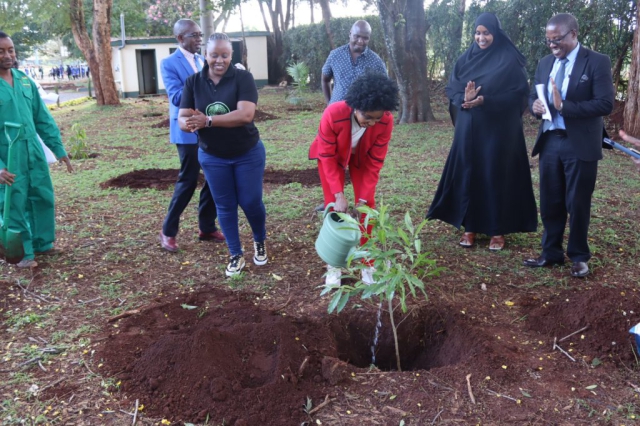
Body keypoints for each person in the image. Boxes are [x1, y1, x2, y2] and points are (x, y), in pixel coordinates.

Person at [427, 13, 537, 251]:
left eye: (486, 32)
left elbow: (519, 95)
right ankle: (470, 226)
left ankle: (497, 230)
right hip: (470, 127)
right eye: (477, 32)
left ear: (495, 33)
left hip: (499, 130)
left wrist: (485, 100)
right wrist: (463, 99)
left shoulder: (508, 59)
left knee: (495, 173)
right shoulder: (465, 58)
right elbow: (452, 88)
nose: (481, 37)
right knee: (470, 172)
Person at [523, 13, 614, 278]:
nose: (553, 45)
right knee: (550, 200)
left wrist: (565, 106)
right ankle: (550, 253)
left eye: (558, 39)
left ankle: (579, 256)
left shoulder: (596, 61)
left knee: (578, 202)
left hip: (580, 143)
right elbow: (532, 96)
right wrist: (535, 107)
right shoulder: (544, 63)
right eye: (549, 40)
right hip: (550, 140)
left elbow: (605, 103)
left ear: (573, 34)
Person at [179, 32, 267, 277]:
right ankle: (235, 254)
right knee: (225, 205)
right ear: (205, 55)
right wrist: (191, 123)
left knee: (250, 202)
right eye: (214, 55)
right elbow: (182, 119)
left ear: (231, 55)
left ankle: (259, 240)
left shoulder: (243, 78)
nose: (220, 60)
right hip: (213, 156)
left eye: (225, 55)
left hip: (247, 152)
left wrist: (206, 120)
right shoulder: (193, 82)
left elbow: (245, 115)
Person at [309, 71, 398, 285]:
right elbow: (328, 156)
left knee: (368, 207)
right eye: (367, 117)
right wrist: (339, 194)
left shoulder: (385, 121)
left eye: (377, 118)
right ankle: (335, 263)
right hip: (332, 157)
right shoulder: (334, 113)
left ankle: (367, 260)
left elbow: (375, 162)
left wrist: (363, 200)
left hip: (363, 159)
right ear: (356, 106)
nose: (372, 123)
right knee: (334, 204)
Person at [0, 32, 73, 268]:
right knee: (14, 202)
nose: (7, 55)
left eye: (10, 50)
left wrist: (58, 149)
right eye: (1, 51)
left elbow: (43, 118)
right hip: (8, 155)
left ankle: (43, 244)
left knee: (42, 195)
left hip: (33, 150)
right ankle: (23, 254)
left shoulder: (24, 81)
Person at [158, 19, 223, 252]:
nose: (198, 40)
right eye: (193, 35)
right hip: (188, 131)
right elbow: (176, 97)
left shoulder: (201, 60)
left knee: (215, 176)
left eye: (199, 35)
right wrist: (204, 95)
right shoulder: (169, 64)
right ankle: (168, 231)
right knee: (188, 181)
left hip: (210, 128)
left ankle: (206, 227)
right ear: (180, 39)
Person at [321, 20, 387, 105]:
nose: (360, 41)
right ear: (350, 34)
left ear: (369, 38)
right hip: (337, 112)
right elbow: (325, 79)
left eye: (365, 38)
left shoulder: (376, 61)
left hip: (363, 114)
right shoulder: (335, 55)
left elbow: (384, 88)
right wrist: (329, 104)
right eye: (357, 36)